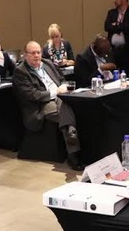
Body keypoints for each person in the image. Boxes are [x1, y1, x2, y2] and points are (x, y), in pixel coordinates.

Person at [14, 41, 83, 171]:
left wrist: (63, 86)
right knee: (65, 110)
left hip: (60, 98)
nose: (36, 55)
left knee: (67, 105)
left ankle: (71, 133)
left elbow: (61, 79)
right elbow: (33, 95)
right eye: (32, 53)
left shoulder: (47, 63)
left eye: (38, 52)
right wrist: (56, 92)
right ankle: (73, 153)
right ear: (25, 55)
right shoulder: (20, 72)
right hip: (40, 106)